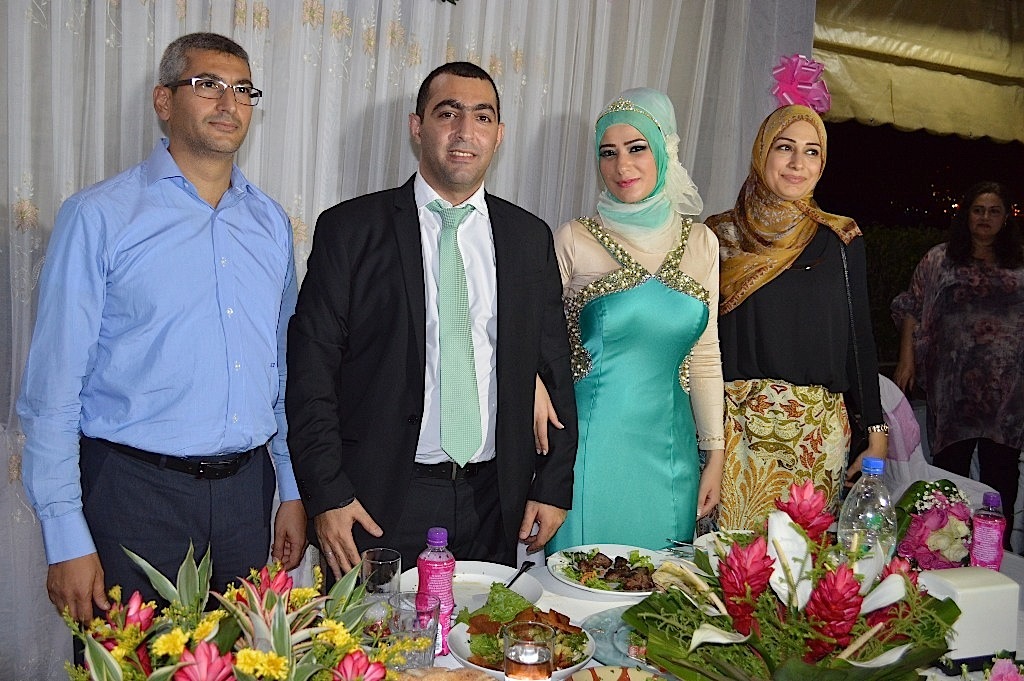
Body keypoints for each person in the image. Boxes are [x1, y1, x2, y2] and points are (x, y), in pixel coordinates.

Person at [17, 33, 307, 624]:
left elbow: (282, 371)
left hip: (245, 497)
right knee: (133, 662)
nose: (228, 103)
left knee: (248, 661)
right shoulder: (99, 216)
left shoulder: (271, 223)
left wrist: (292, 489)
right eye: (208, 85)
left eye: (243, 90)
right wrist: (64, 534)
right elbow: (52, 390)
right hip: (133, 495)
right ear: (163, 100)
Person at [286, 62, 578, 575]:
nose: (466, 131)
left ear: (499, 135)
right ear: (417, 126)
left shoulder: (528, 237)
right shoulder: (350, 230)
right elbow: (311, 373)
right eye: (449, 114)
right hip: (375, 504)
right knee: (372, 630)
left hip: (493, 501)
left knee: (480, 628)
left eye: (482, 117)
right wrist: (327, 494)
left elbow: (555, 367)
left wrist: (553, 485)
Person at [540, 88, 725, 552]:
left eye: (637, 148)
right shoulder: (574, 238)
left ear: (664, 150)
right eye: (608, 152)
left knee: (659, 585)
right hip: (589, 451)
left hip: (670, 452)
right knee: (578, 580)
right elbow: (534, 339)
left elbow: (705, 355)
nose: (622, 166)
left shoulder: (702, 243)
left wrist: (715, 452)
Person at [706, 104, 887, 532]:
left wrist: (876, 429)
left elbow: (858, 338)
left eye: (811, 152)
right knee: (730, 561)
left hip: (816, 437)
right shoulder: (719, 236)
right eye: (784, 147)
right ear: (762, 153)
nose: (797, 163)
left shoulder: (840, 238)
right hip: (736, 436)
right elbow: (699, 341)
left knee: (805, 563)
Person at [892, 181, 1024, 549]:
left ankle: (996, 553)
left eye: (994, 211)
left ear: (1006, 218)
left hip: (1008, 395)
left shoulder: (1020, 262)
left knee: (1002, 478)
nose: (985, 217)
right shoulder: (939, 259)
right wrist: (907, 360)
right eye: (978, 210)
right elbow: (910, 308)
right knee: (949, 475)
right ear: (966, 215)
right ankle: (946, 551)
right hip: (952, 389)